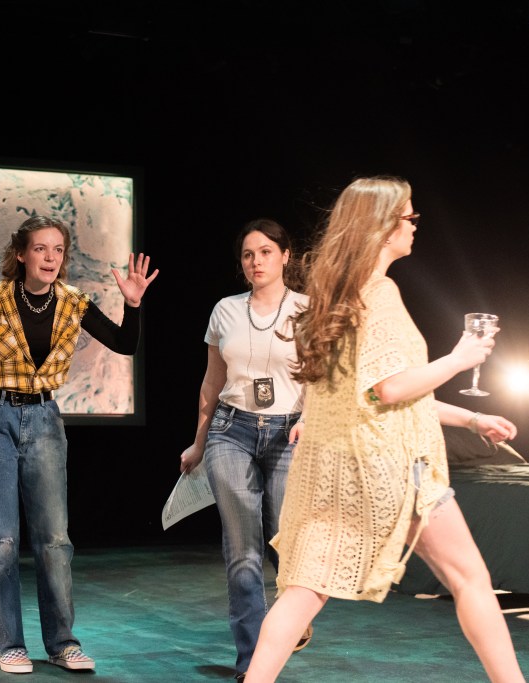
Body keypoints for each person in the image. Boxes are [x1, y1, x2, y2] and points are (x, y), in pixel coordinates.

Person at [245, 176, 525, 682]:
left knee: (305, 591)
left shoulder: (331, 299)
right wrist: (460, 358)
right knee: (471, 579)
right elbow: (387, 390)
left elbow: (370, 396)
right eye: (409, 216)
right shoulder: (380, 293)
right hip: (394, 469)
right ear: (382, 225)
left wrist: (472, 418)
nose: (414, 225)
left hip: (334, 471)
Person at [0, 215, 158, 674]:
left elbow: (124, 344)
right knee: (0, 540)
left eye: (58, 249)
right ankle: (10, 644)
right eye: (40, 248)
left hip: (44, 418)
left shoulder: (73, 301)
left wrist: (132, 304)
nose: (50, 257)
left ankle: (63, 644)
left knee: (54, 540)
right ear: (21, 254)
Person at [178, 218, 309, 681]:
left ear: (286, 256)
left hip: (290, 432)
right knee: (242, 550)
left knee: (285, 539)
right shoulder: (226, 310)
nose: (257, 261)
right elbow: (212, 382)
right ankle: (253, 663)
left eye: (266, 252)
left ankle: (295, 613)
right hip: (230, 430)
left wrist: (310, 420)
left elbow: (321, 379)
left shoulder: (307, 310)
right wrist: (199, 442)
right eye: (249, 254)